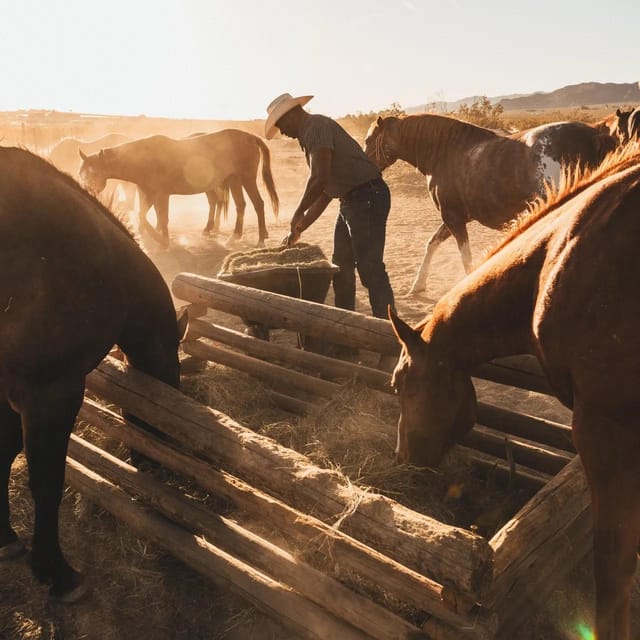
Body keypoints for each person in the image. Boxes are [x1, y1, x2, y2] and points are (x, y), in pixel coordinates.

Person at [264, 93, 395, 321]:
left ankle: (388, 335)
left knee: (370, 268)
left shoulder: (316, 126)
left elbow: (319, 178)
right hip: (352, 200)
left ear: (292, 114)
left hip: (367, 196)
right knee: (341, 266)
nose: (282, 131)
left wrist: (297, 213)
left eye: (281, 124)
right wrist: (300, 227)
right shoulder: (309, 134)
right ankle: (347, 331)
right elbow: (325, 192)